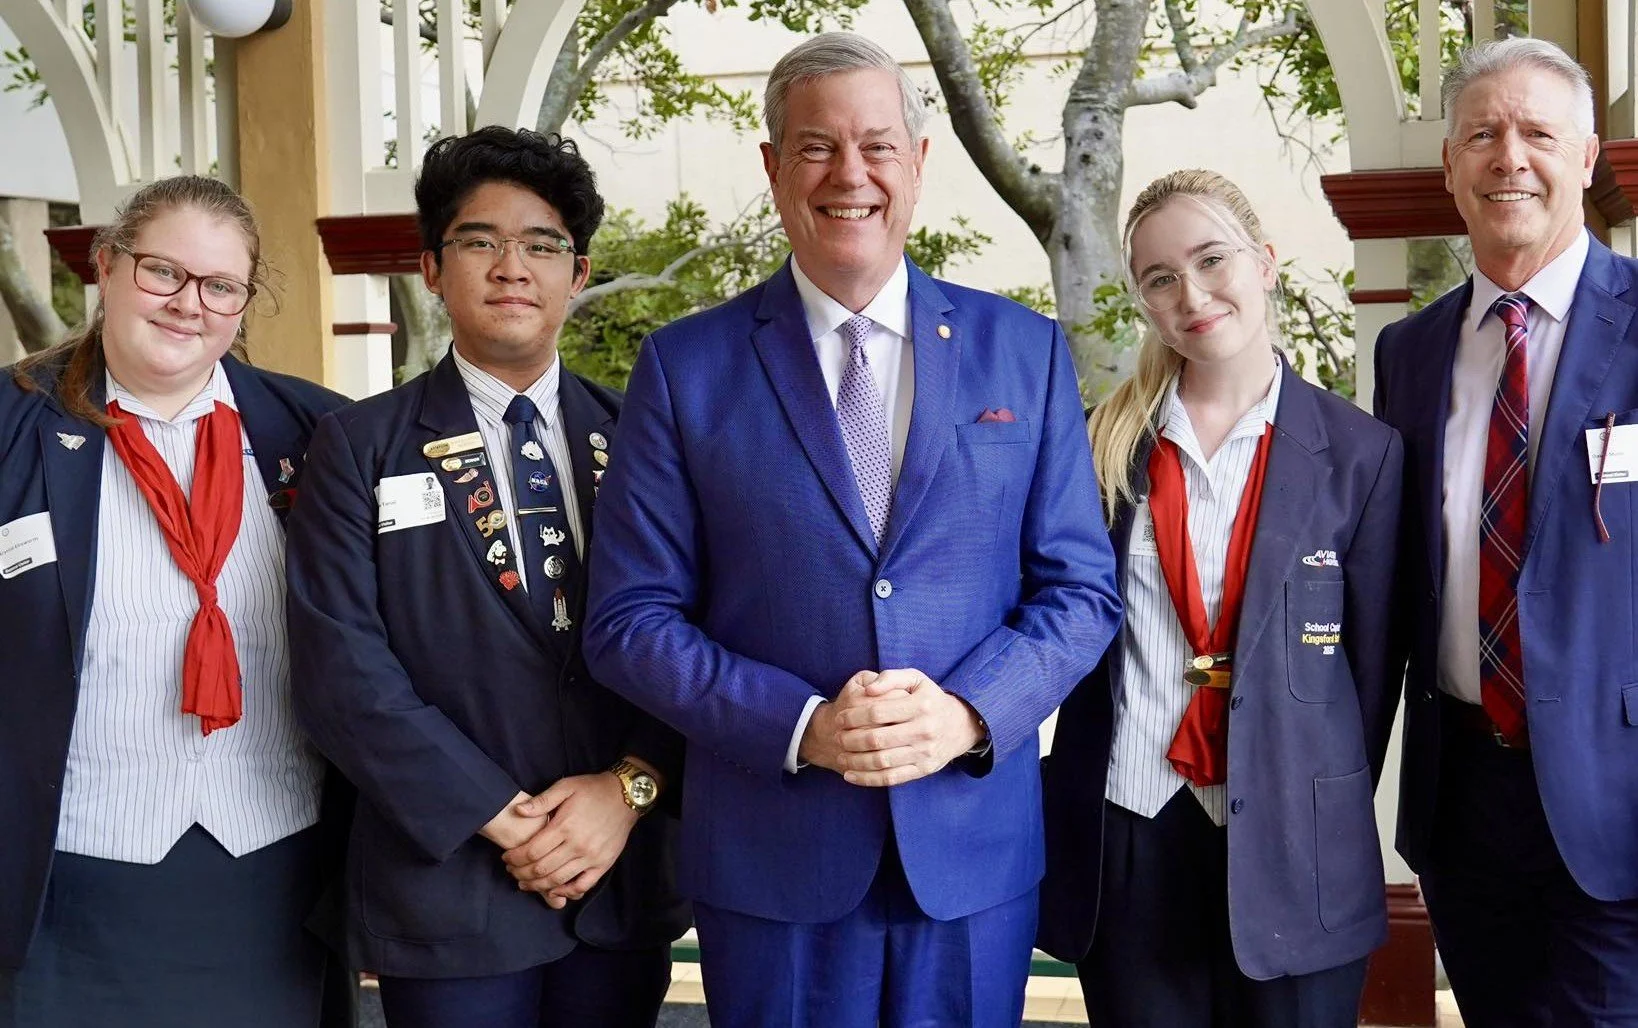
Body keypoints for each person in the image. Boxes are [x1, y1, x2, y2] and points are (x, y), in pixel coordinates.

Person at [580, 31, 1122, 1028]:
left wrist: (967, 711)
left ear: (918, 165)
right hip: (771, 855)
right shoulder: (684, 368)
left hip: (970, 851)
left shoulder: (1024, 352)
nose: (850, 173)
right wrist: (802, 725)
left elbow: (1082, 592)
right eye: (817, 146)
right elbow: (629, 619)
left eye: (878, 145)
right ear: (774, 168)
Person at [285, 126, 687, 1028]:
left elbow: (692, 628)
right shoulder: (358, 446)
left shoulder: (640, 437)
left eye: (542, 245)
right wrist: (501, 817)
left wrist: (628, 791)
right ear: (432, 267)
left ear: (577, 275)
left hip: (616, 879)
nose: (513, 266)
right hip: (449, 885)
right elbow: (342, 670)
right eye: (480, 241)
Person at [1035, 169, 1404, 1027]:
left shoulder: (1363, 454)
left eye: (1212, 260)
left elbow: (1370, 674)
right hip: (1128, 828)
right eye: (1159, 278)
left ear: (1266, 262)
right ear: (1142, 301)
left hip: (1293, 840)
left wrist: (1301, 777)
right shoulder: (1097, 448)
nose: (1191, 294)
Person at [0, 175, 353, 1027]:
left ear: (242, 303)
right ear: (108, 265)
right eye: (163, 271)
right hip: (63, 880)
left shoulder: (320, 435)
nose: (188, 303)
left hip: (272, 876)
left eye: (220, 285)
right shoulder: (9, 425)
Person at [1374, 37, 1638, 1026]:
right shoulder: (1410, 352)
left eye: (1536, 132)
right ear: (1449, 166)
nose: (1507, 157)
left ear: (1586, 157)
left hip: (1618, 798)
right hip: (1464, 796)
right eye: (1481, 134)